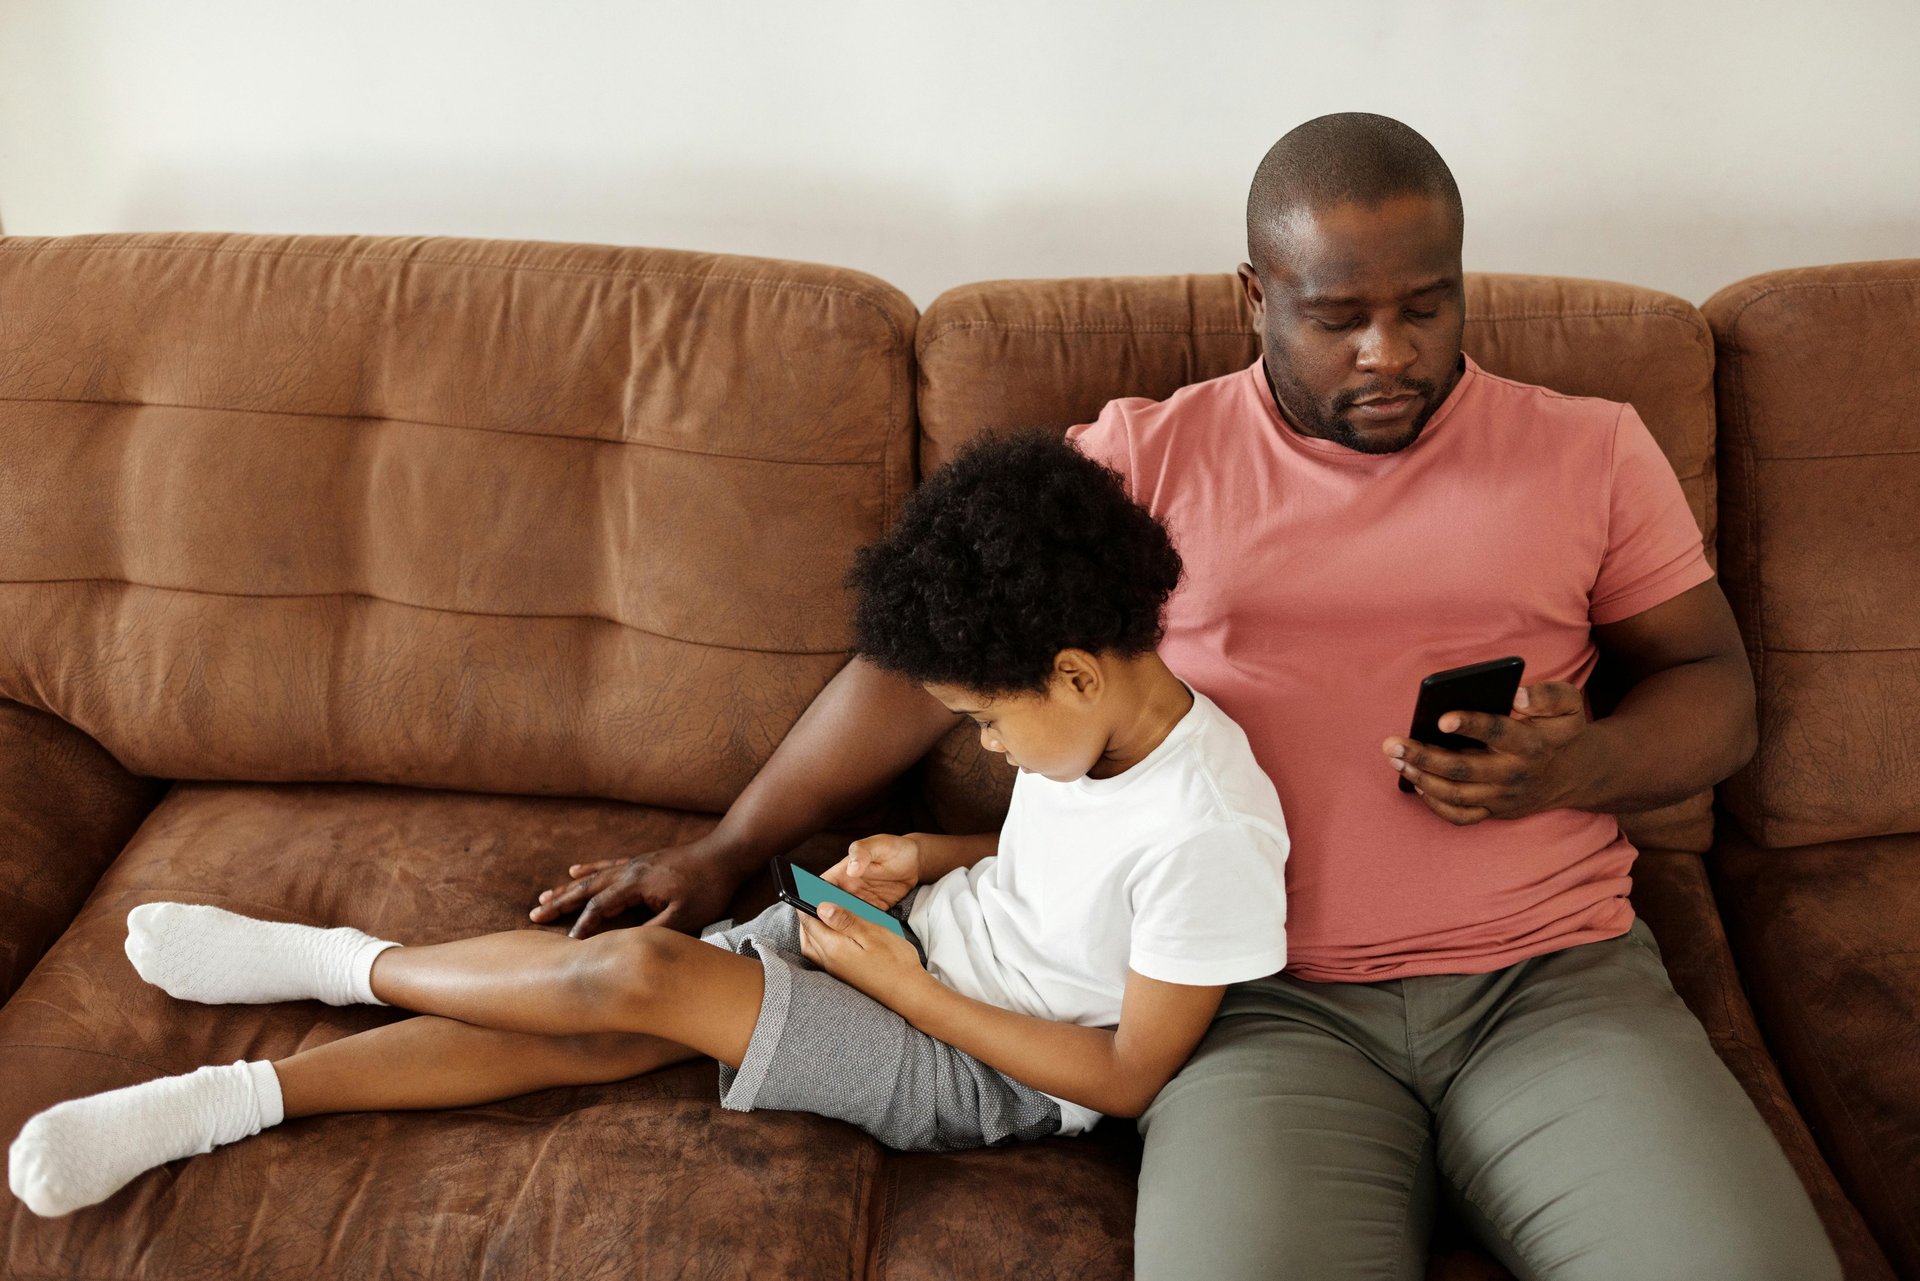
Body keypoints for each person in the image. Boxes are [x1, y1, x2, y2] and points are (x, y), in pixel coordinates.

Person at [527, 114, 1842, 1279]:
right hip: (1251, 1009)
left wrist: (1582, 763)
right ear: (1255, 295)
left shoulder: (1590, 449)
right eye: (1338, 317)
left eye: (1428, 306)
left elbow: (1715, 692)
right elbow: (919, 668)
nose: (1389, 352)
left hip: (1550, 983)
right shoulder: (1146, 457)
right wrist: (728, 849)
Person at [8, 432, 1290, 1220]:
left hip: (981, 1070)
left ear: (1074, 672)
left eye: (986, 723)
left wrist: (905, 986)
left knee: (636, 977)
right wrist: (934, 854)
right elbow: (1073, 872)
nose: (987, 749)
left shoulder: (1214, 830)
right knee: (607, 1019)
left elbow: (1128, 1075)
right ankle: (246, 1081)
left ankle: (332, 975)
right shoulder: (1092, 724)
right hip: (911, 950)